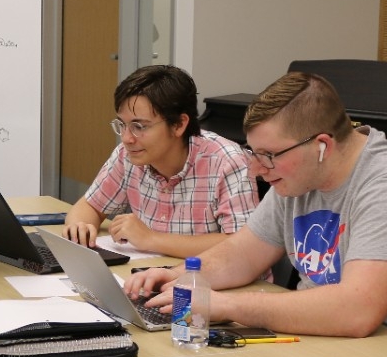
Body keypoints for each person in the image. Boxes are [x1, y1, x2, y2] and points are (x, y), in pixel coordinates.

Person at [126, 72, 387, 357]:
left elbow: (356, 311)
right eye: (253, 151)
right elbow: (241, 254)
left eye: (268, 154)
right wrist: (178, 278)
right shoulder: (297, 175)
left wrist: (224, 305)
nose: (255, 168)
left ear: (323, 146)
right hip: (348, 347)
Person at [63, 65, 260, 258]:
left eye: (139, 126)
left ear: (179, 124)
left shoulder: (228, 162)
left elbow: (243, 245)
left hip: (214, 284)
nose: (126, 138)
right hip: (152, 276)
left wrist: (151, 239)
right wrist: (80, 227)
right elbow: (89, 206)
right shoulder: (127, 156)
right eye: (122, 125)